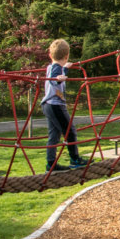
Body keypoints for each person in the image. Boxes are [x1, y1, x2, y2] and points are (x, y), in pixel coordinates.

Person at [42, 39, 85, 171]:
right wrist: (64, 71)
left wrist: (63, 70)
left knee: (54, 135)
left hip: (48, 105)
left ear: (50, 55)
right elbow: (56, 80)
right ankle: (75, 159)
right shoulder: (57, 68)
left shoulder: (50, 66)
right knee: (70, 131)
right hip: (55, 105)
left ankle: (51, 163)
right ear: (66, 56)